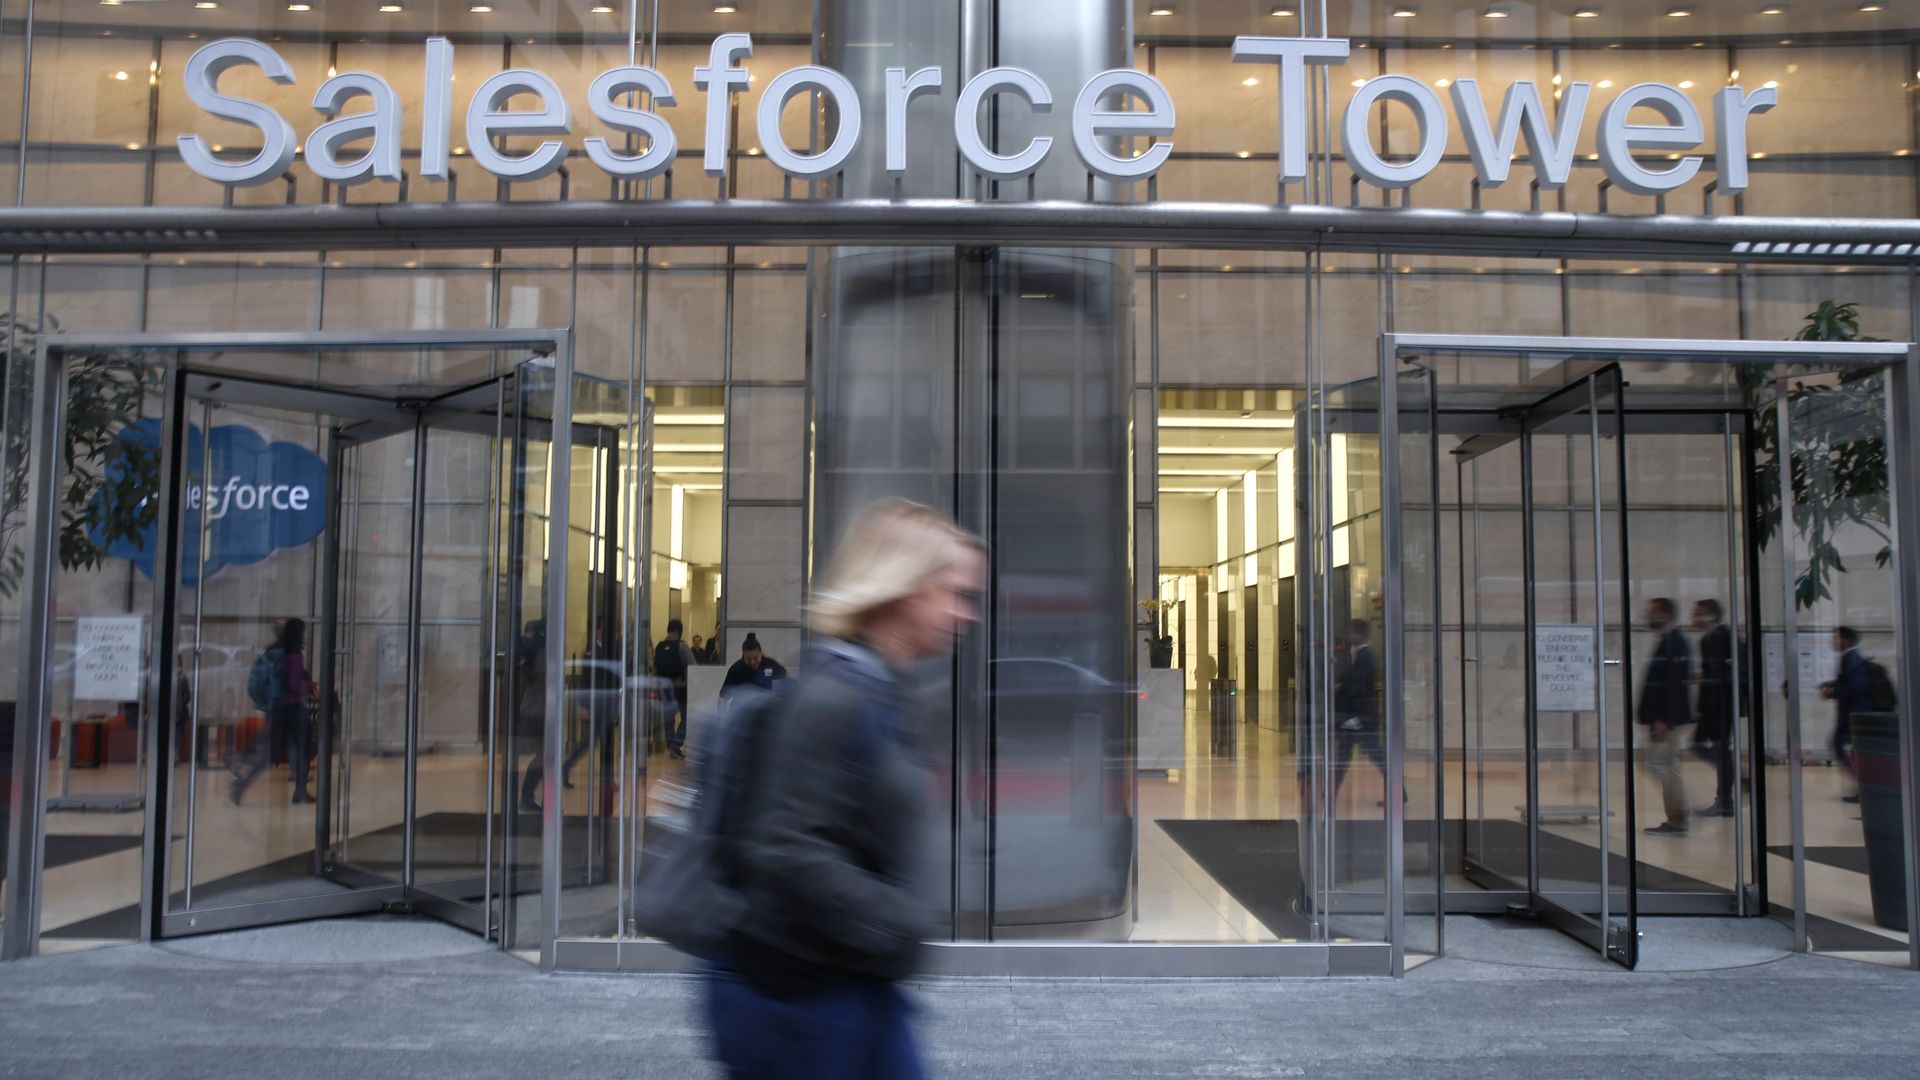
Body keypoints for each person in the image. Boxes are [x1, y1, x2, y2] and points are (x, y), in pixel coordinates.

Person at [705, 498, 983, 1080]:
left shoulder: (884, 687)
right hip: (800, 1001)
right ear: (906, 591)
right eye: (955, 594)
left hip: (853, 984)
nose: (967, 615)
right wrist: (898, 922)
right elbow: (784, 847)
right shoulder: (839, 696)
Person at [231, 617, 313, 805]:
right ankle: (300, 790)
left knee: (269, 754)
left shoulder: (272, 651)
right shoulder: (294, 653)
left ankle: (242, 784)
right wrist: (306, 686)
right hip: (293, 709)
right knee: (302, 750)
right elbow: (293, 685)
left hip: (276, 709)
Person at [1639, 597, 1693, 835]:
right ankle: (1677, 816)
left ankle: (1680, 813)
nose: (1648, 617)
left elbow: (1674, 684)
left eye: (1652, 613)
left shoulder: (1674, 642)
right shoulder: (1669, 641)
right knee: (1665, 765)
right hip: (1663, 719)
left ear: (1665, 615)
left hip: (1666, 721)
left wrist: (1666, 719)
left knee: (1659, 764)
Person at [1332, 618, 1392, 805]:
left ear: (1360, 634)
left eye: (1352, 632)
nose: (1349, 636)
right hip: (1361, 716)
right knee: (1348, 753)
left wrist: (1341, 688)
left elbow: (1357, 686)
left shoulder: (1365, 656)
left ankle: (1331, 793)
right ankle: (1331, 793)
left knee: (1356, 754)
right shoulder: (1360, 655)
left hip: (1360, 717)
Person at [1689, 600, 1737, 818]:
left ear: (1712, 615)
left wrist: (1702, 677)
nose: (1695, 619)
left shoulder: (1717, 637)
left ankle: (1726, 797)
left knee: (1717, 749)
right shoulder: (1713, 637)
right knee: (1708, 748)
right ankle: (1727, 793)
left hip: (1719, 705)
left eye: (1699, 614)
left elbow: (1719, 673)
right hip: (1715, 705)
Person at [1821, 626, 1874, 804]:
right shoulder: (1850, 658)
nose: (1834, 641)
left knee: (1845, 750)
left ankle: (1865, 787)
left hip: (1854, 715)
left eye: (1837, 638)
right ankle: (1863, 787)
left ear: (1847, 640)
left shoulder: (1851, 659)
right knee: (1844, 749)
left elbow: (1855, 688)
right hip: (1852, 715)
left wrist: (1833, 691)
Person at [515, 619, 548, 813]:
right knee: (544, 756)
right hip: (537, 712)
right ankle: (527, 797)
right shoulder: (536, 654)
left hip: (534, 710)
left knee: (545, 756)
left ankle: (529, 796)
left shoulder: (528, 654)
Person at [654, 618, 697, 759]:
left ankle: (671, 744)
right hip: (681, 687)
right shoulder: (682, 647)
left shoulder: (659, 646)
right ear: (680, 631)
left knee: (668, 718)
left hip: (664, 688)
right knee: (686, 718)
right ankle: (676, 745)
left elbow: (655, 668)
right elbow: (693, 666)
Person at [720, 633, 788, 703]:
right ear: (743, 655)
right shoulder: (736, 669)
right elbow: (723, 697)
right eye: (748, 659)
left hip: (765, 707)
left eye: (755, 658)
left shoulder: (770, 664)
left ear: (761, 653)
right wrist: (722, 713)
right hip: (742, 709)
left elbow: (784, 677)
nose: (752, 662)